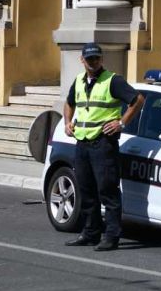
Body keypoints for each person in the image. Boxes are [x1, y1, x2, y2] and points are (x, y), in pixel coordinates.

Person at [62, 42, 144, 251]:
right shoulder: (79, 80)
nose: (93, 62)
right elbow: (69, 102)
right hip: (83, 142)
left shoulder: (112, 80)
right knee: (86, 189)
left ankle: (112, 236)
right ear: (82, 60)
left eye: (96, 58)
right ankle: (90, 233)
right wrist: (67, 122)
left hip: (103, 143)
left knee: (107, 190)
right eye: (89, 59)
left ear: (101, 59)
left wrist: (122, 123)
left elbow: (137, 100)